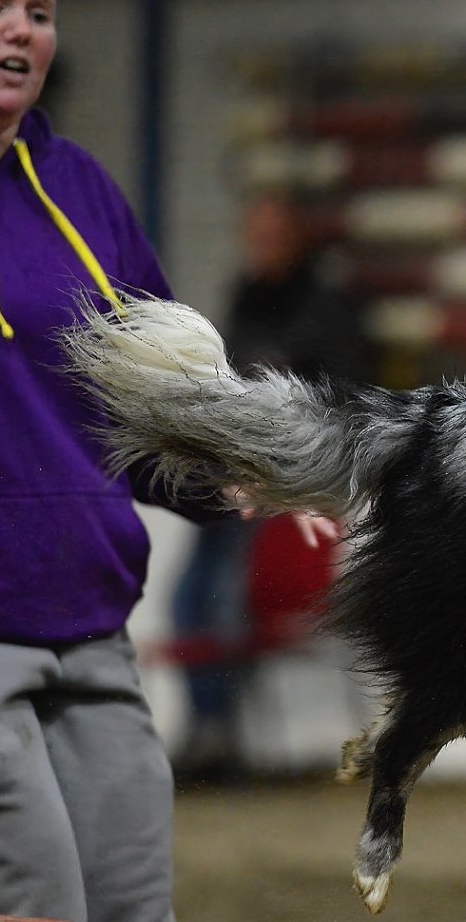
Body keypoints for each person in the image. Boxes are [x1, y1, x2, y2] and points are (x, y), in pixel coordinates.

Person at [0, 0, 331, 922]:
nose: (22, 29)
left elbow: (150, 406)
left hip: (91, 621)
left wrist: (243, 470)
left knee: (135, 908)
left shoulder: (84, 193)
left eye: (40, 12)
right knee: (37, 906)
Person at [169, 194, 370, 782]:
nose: (261, 248)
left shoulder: (328, 309)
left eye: (272, 236)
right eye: (255, 236)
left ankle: (221, 733)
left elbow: (342, 401)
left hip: (288, 491)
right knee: (188, 598)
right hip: (234, 483)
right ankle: (206, 728)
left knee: (226, 598)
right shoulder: (244, 299)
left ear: (296, 240)